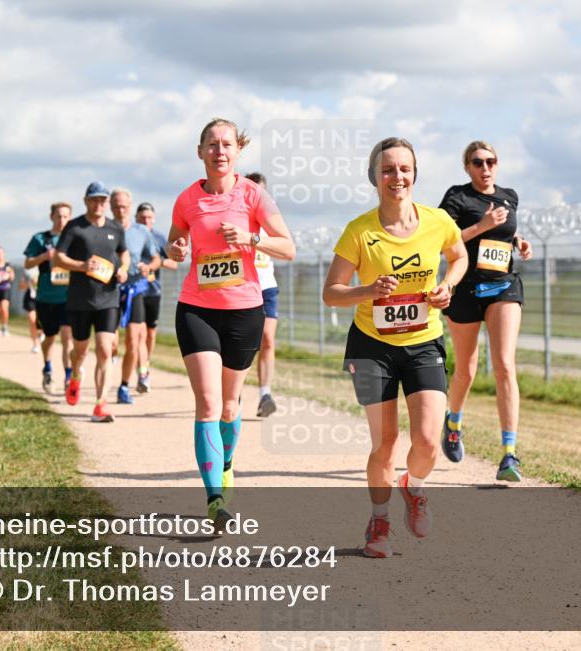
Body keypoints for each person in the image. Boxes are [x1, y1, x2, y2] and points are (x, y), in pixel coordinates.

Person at [322, 137, 468, 558]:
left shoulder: (438, 221)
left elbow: (458, 257)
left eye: (404, 169)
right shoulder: (359, 231)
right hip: (372, 347)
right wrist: (367, 290)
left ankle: (413, 487)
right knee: (385, 443)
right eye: (387, 170)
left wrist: (447, 287)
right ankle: (379, 521)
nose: (396, 177)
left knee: (426, 441)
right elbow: (331, 293)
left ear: (415, 174)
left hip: (424, 342)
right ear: (375, 177)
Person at [166, 118, 296, 530]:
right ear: (200, 151)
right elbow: (174, 243)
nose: (219, 151)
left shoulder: (253, 195)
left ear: (237, 151)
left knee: (228, 404)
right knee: (207, 402)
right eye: (212, 144)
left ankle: (225, 465)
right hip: (197, 308)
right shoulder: (187, 199)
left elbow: (289, 247)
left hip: (243, 310)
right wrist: (176, 245)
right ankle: (214, 498)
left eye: (226, 144)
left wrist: (250, 238)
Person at [438, 140, 533, 482]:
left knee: (505, 364)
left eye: (491, 161)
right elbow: (442, 241)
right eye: (478, 162)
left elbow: (505, 232)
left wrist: (518, 241)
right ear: (467, 167)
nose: (485, 167)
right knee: (465, 369)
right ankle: (453, 422)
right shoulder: (457, 197)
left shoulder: (509, 196)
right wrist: (482, 224)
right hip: (464, 289)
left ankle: (509, 455)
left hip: (504, 286)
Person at [54, 182, 129, 423]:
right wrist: (81, 266)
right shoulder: (75, 228)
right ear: (86, 201)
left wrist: (124, 269)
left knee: (106, 350)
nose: (99, 204)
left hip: (108, 296)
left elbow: (123, 253)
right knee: (81, 351)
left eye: (102, 200)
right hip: (80, 299)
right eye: (94, 200)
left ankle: (100, 405)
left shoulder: (115, 228)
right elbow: (58, 257)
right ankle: (75, 375)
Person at [110, 188, 160, 403]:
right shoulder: (105, 228)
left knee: (134, 339)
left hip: (135, 290)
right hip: (109, 291)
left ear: (131, 208)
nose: (121, 210)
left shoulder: (141, 231)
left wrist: (148, 267)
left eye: (125, 206)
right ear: (111, 207)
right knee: (109, 343)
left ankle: (124, 385)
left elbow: (156, 258)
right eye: (117, 206)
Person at [24, 202, 75, 394]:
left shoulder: (74, 238)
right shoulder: (40, 238)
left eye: (65, 216)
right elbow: (28, 264)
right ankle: (47, 367)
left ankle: (69, 377)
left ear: (70, 218)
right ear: (51, 217)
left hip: (68, 297)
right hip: (46, 298)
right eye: (58, 216)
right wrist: (44, 256)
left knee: (67, 337)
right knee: (49, 338)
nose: (62, 220)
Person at [244, 172, 279, 417]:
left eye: (262, 191)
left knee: (267, 339)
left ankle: (265, 394)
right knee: (244, 343)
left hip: (267, 287)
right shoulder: (238, 218)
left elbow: (285, 246)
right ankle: (232, 388)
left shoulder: (272, 219)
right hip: (243, 287)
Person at [136, 202, 179, 388]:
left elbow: (174, 264)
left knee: (151, 334)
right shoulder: (131, 236)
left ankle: (147, 364)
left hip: (154, 290)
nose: (146, 220)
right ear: (136, 218)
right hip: (135, 290)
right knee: (139, 332)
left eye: (149, 217)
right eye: (142, 217)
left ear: (153, 219)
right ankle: (142, 371)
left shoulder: (160, 239)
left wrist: (157, 262)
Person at [0, 246, 14, 338]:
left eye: (1, 253)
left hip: (5, 289)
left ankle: (5, 327)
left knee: (4, 309)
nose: (0, 255)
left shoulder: (8, 265)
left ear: (4, 254)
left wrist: (7, 276)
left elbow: (12, 276)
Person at [21, 266, 41, 353]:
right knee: (32, 320)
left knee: (42, 321)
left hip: (44, 296)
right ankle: (35, 344)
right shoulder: (27, 269)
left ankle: (41, 333)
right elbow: (21, 286)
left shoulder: (48, 265)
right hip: (30, 297)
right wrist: (30, 283)